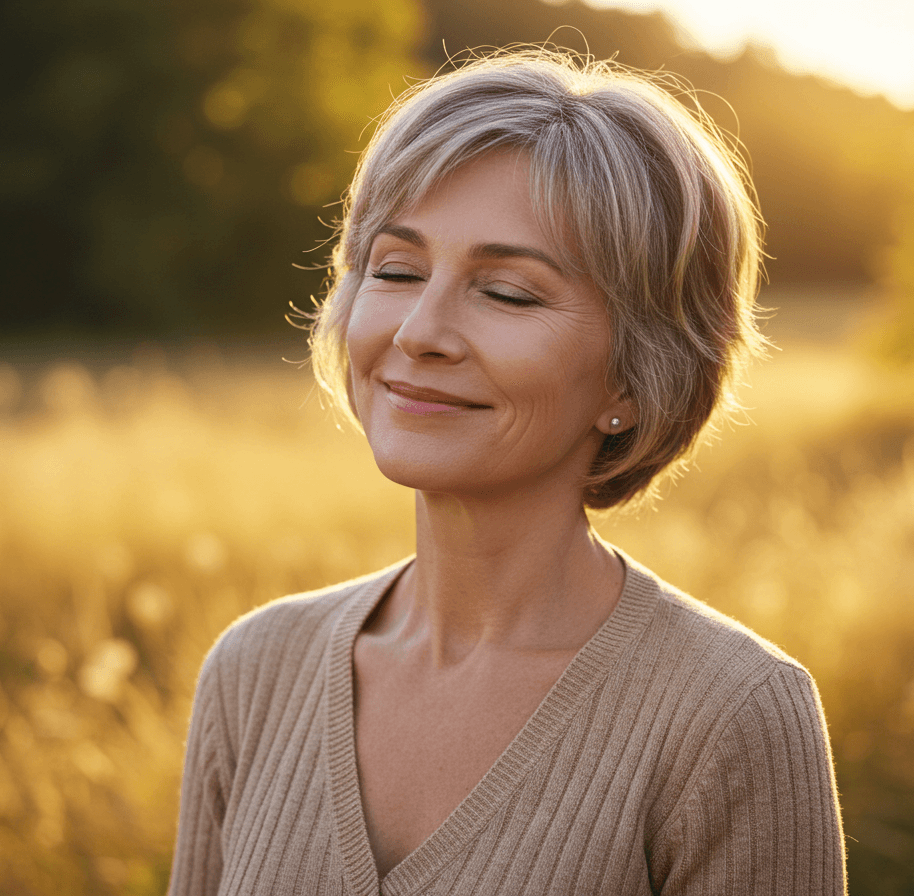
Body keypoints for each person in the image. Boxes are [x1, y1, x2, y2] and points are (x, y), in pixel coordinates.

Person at [168, 50, 846, 895]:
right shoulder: (255, 669)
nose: (419, 331)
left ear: (635, 379)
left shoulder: (729, 714)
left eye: (509, 294)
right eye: (396, 269)